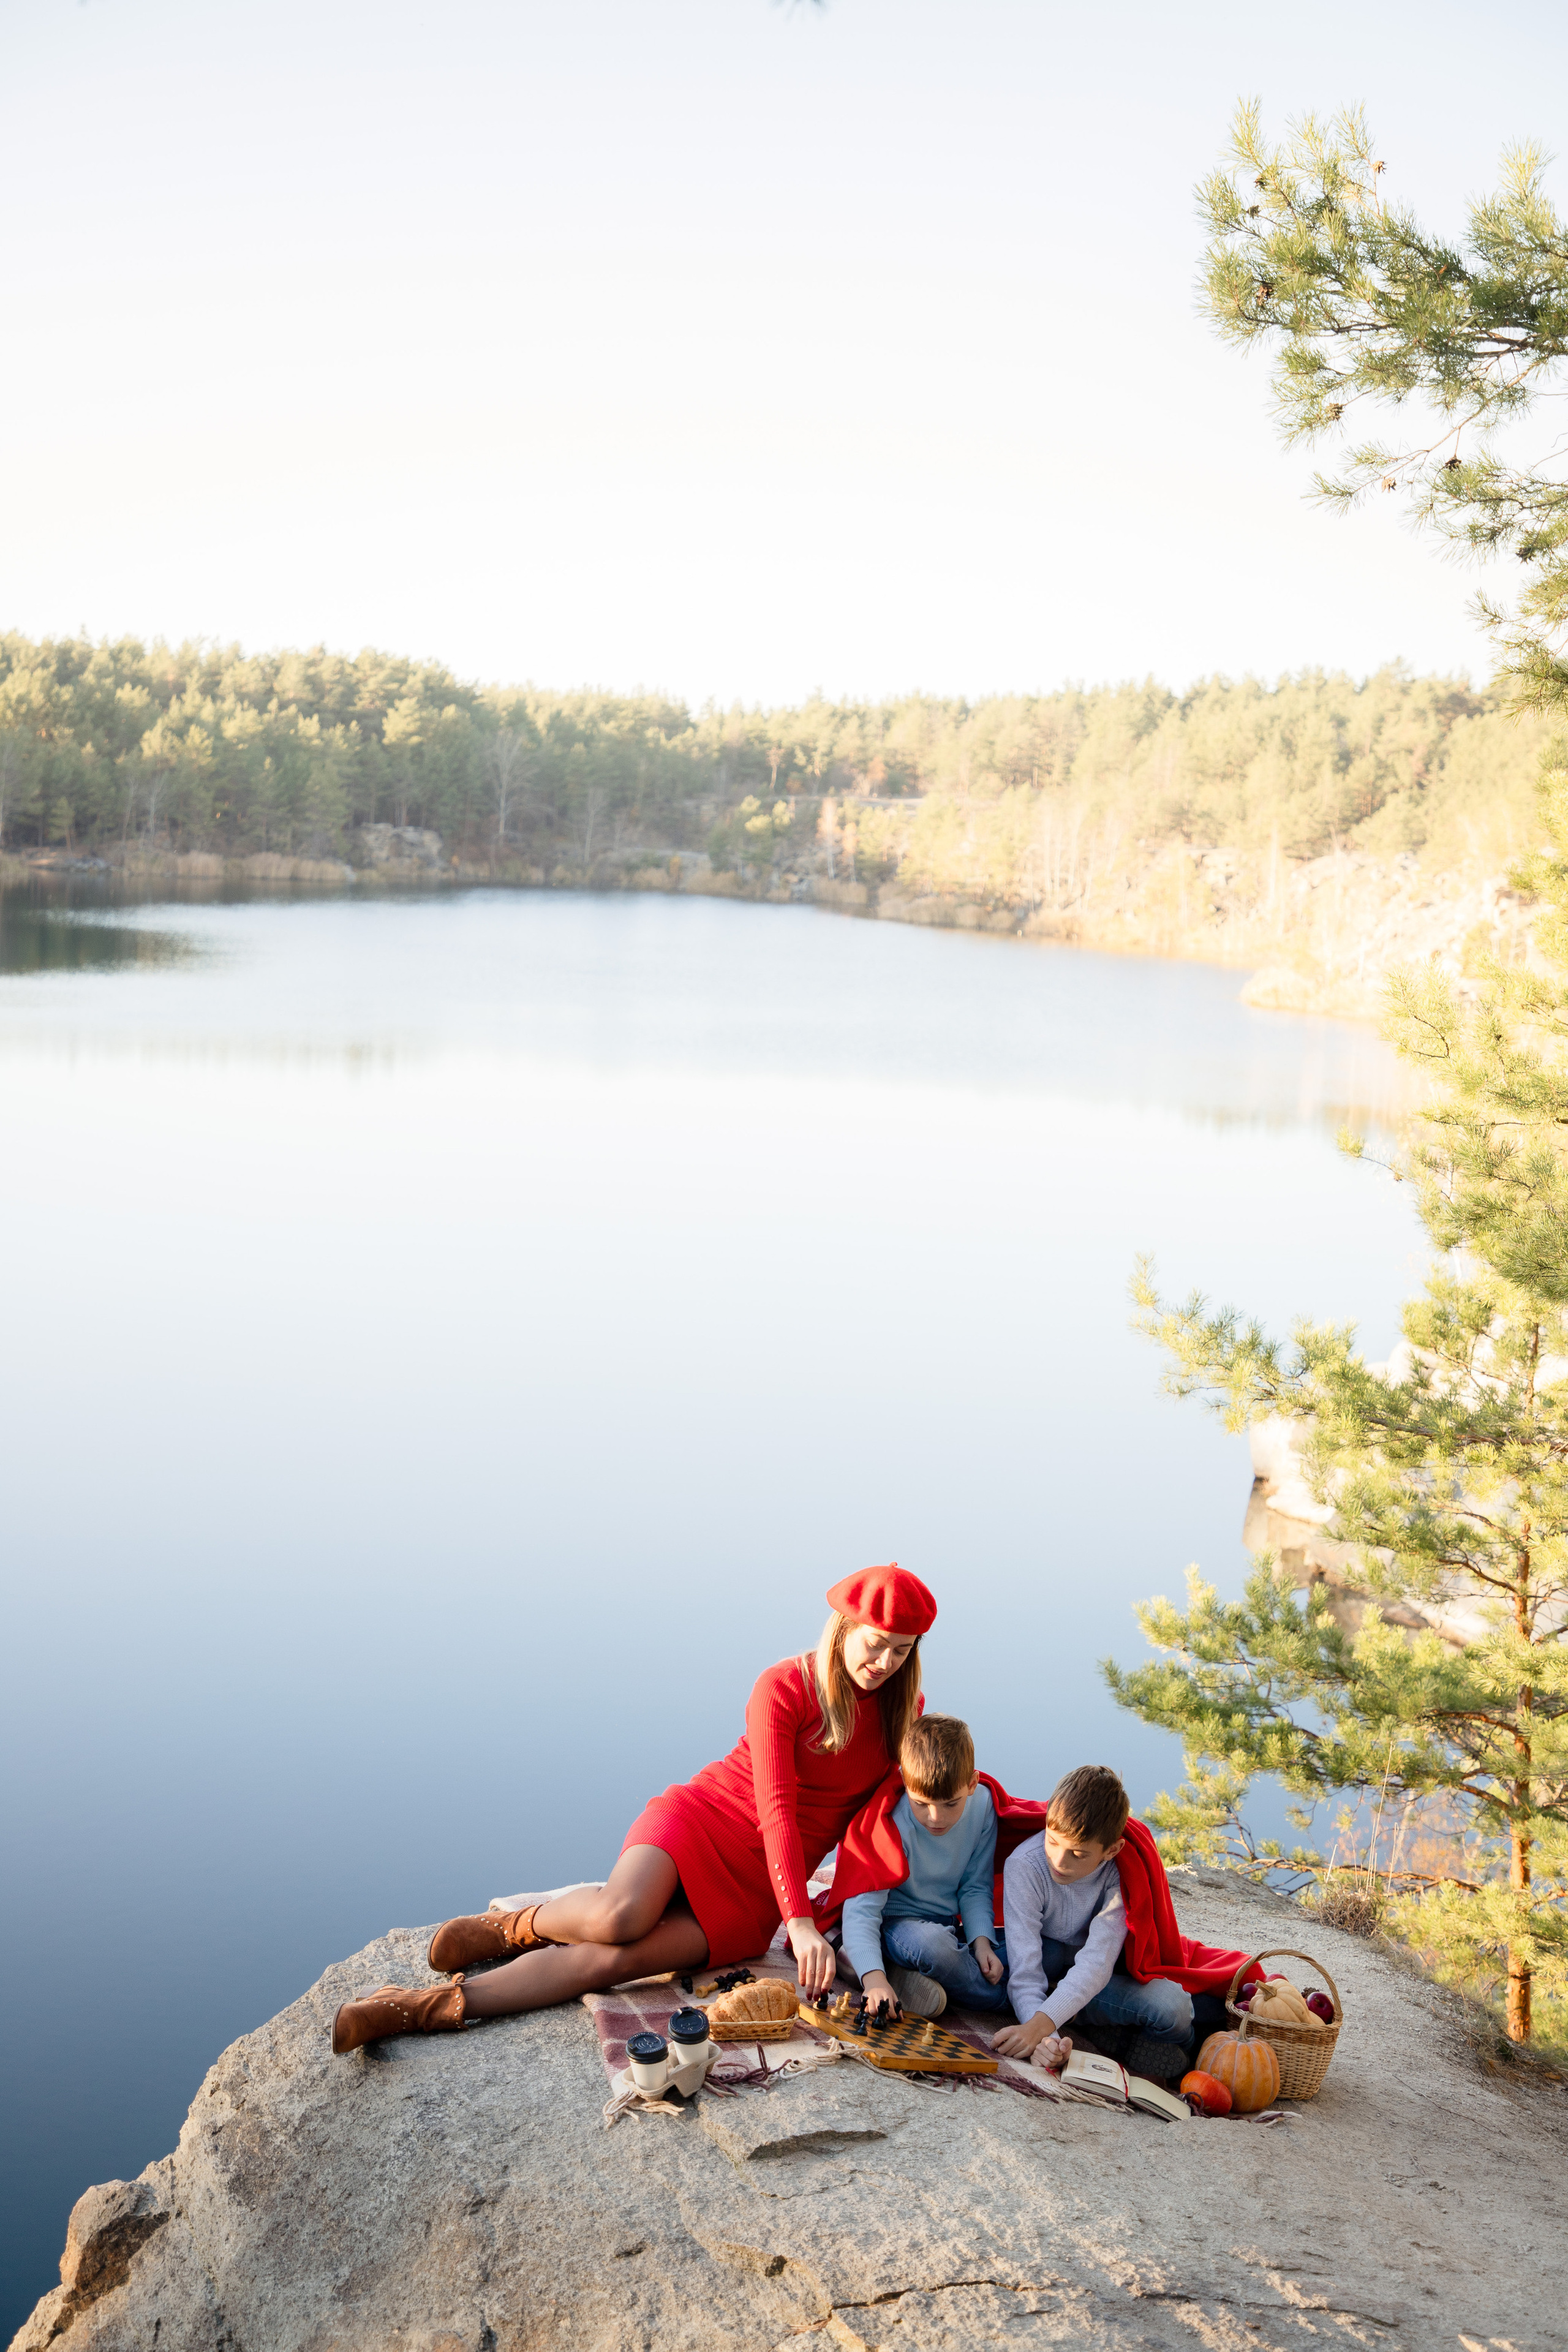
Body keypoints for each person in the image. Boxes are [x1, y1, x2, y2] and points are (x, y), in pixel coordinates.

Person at [331, 1562, 938, 2054]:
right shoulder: (782, 1686)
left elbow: (893, 1818)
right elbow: (775, 1807)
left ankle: (415, 2008)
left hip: (754, 1894)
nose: (883, 1662)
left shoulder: (899, 1715)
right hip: (700, 1821)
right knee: (620, 1917)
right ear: (843, 1626)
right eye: (875, 1643)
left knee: (608, 1963)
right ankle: (519, 1926)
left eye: (900, 1651)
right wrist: (801, 1924)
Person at [993, 1763, 1257, 2071]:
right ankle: (1114, 2035)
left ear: (1112, 1849)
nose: (1059, 1861)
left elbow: (1097, 1963)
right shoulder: (1025, 1866)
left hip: (1099, 1979)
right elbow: (1026, 1973)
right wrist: (1047, 2040)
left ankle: (1185, 2054)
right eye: (1052, 1842)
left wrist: (1040, 2026)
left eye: (1078, 1854)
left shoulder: (1122, 1872)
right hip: (1049, 1974)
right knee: (1029, 1966)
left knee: (1175, 2006)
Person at [837, 1714, 1010, 2019]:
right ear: (905, 1782)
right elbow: (863, 1907)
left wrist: (981, 1942)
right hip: (897, 1925)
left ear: (972, 1784)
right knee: (935, 1948)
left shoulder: (983, 1806)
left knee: (1044, 1951)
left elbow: (975, 1885)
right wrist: (873, 1981)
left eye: (950, 1804)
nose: (935, 1818)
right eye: (921, 1803)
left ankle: (914, 1977)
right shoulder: (890, 1820)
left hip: (948, 1924)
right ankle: (1013, 2001)